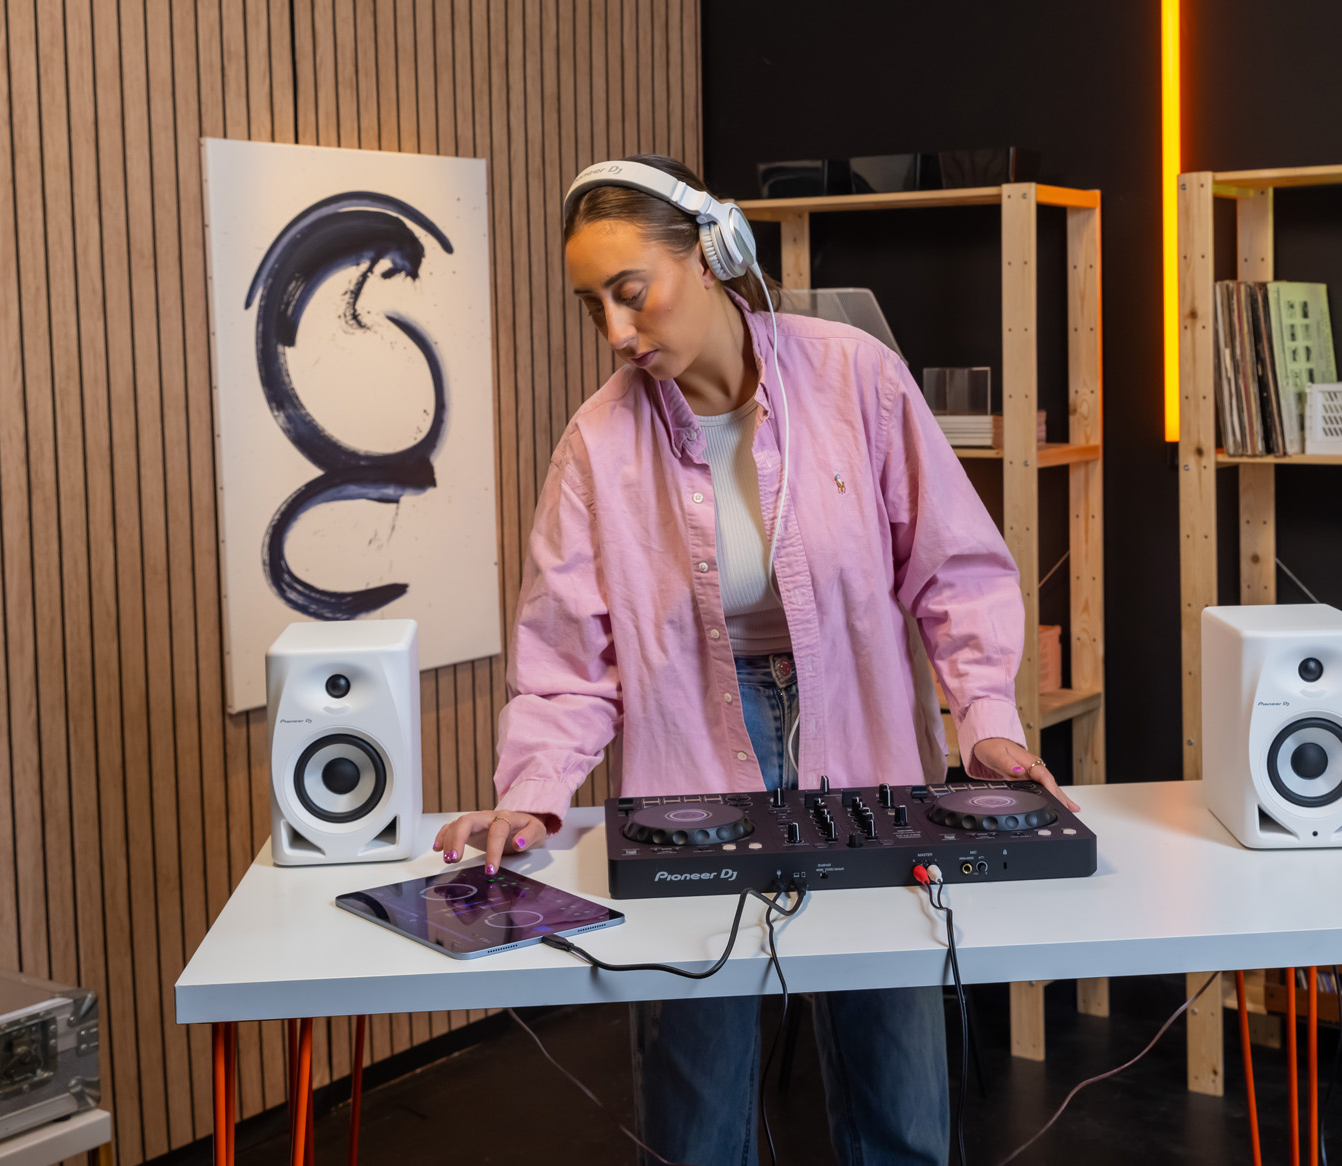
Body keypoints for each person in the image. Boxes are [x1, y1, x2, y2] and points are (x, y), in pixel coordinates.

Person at [434, 154, 1077, 1166]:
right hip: (687, 760)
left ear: (710, 253)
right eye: (593, 305)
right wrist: (530, 792)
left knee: (899, 1086)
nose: (615, 331)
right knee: (695, 1108)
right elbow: (566, 660)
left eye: (631, 290)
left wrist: (985, 719)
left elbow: (954, 571)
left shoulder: (857, 377)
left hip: (864, 741)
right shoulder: (595, 443)